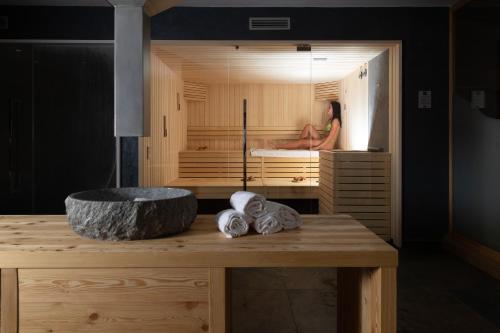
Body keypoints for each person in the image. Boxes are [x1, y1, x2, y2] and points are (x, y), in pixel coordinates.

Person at [274, 101, 342, 151]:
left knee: (301, 142)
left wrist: (318, 148)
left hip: (326, 145)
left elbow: (329, 138)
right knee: (308, 127)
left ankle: (278, 146)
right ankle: (300, 144)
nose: (328, 109)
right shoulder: (332, 120)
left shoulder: (335, 121)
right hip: (322, 141)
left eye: (330, 107)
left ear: (334, 109)